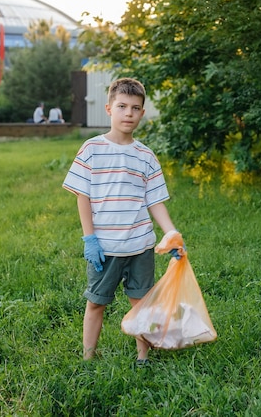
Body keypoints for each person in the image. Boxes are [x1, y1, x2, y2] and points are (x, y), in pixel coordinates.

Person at [62, 78, 182, 365]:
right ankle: (88, 357)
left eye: (135, 108)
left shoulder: (146, 156)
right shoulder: (91, 149)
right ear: (109, 109)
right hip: (105, 247)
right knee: (96, 302)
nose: (128, 113)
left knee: (141, 304)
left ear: (142, 113)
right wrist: (89, 238)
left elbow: (155, 201)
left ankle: (143, 355)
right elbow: (82, 196)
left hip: (141, 246)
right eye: (122, 106)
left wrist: (172, 233)